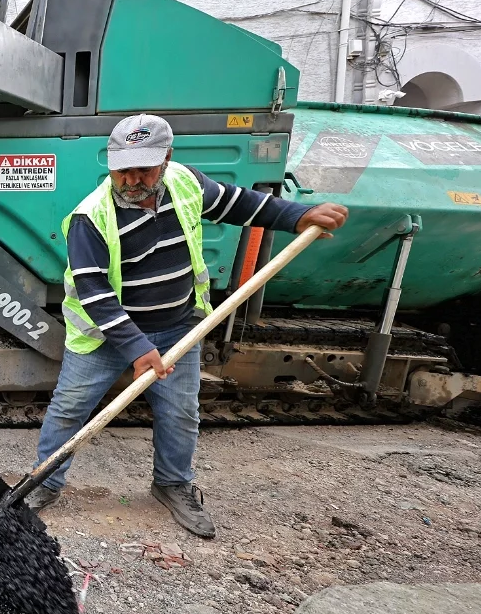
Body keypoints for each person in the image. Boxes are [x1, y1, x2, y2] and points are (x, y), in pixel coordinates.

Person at [26, 113, 348, 538]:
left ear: (167, 159)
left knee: (179, 412)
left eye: (145, 168)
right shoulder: (91, 218)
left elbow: (240, 203)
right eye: (123, 169)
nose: (133, 179)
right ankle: (42, 484)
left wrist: (299, 215)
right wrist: (137, 349)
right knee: (70, 409)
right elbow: (95, 294)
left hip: (178, 326)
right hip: (106, 336)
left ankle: (172, 484)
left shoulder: (185, 181)